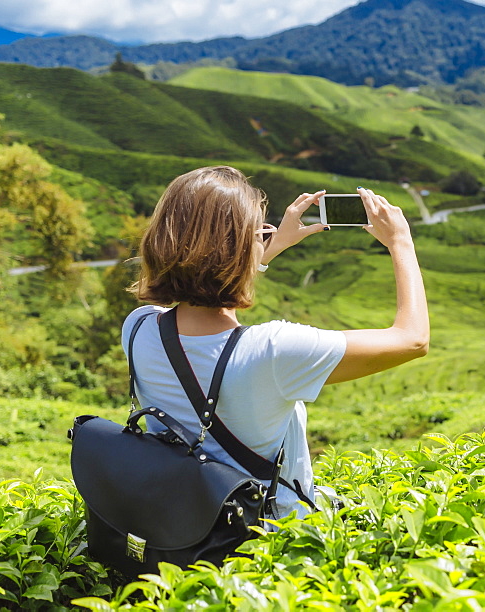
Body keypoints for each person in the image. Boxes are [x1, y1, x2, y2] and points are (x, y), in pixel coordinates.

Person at [121, 166, 428, 518]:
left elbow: (201, 290)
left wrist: (268, 247)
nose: (265, 237)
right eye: (259, 233)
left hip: (183, 519)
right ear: (237, 250)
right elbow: (413, 339)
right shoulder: (273, 350)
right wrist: (401, 241)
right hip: (265, 538)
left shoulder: (138, 328)